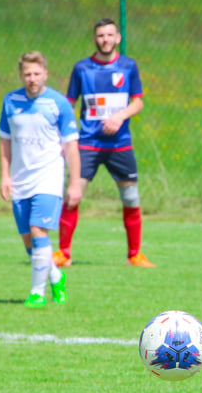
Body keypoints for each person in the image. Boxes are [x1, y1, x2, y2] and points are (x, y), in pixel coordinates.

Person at [53, 17, 154, 268]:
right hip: (87, 143)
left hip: (120, 144)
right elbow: (69, 104)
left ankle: (135, 254)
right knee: (73, 196)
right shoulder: (82, 69)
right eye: (100, 35)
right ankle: (63, 253)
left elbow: (138, 102)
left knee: (130, 198)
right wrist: (63, 137)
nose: (105, 40)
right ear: (94, 39)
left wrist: (120, 116)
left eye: (110, 35)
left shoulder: (129, 67)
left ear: (117, 38)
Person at [0, 51, 81, 308]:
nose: (32, 79)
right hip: (21, 180)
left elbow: (71, 146)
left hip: (49, 177)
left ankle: (37, 292)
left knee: (38, 231)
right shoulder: (11, 101)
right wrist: (5, 175)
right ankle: (56, 275)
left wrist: (75, 183)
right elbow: (4, 139)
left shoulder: (58, 104)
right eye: (27, 74)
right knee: (27, 240)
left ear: (45, 73)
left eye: (36, 74)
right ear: (21, 75)